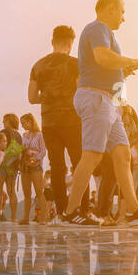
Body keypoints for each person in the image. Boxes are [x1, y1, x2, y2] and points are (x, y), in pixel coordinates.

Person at [60, 0, 138, 226]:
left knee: (123, 154)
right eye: (122, 11)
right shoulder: (98, 28)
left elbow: (103, 64)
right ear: (110, 8)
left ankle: (135, 209)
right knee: (93, 155)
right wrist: (130, 61)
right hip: (96, 98)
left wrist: (122, 71)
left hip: (108, 103)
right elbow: (103, 57)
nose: (123, 18)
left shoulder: (104, 33)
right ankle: (71, 212)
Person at [30, 25, 86, 219]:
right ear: (71, 43)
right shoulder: (76, 64)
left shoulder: (38, 66)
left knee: (56, 166)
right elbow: (81, 91)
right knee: (80, 163)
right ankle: (81, 208)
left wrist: (48, 98)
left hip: (49, 121)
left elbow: (31, 97)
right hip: (72, 119)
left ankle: (62, 212)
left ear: (52, 41)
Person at [18, 112, 47, 224]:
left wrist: (36, 159)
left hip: (36, 166)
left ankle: (43, 218)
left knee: (39, 192)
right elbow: (22, 149)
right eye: (22, 123)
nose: (23, 125)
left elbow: (43, 151)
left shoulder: (40, 135)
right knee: (27, 193)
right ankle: (25, 218)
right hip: (25, 165)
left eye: (24, 123)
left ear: (31, 122)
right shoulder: (24, 135)